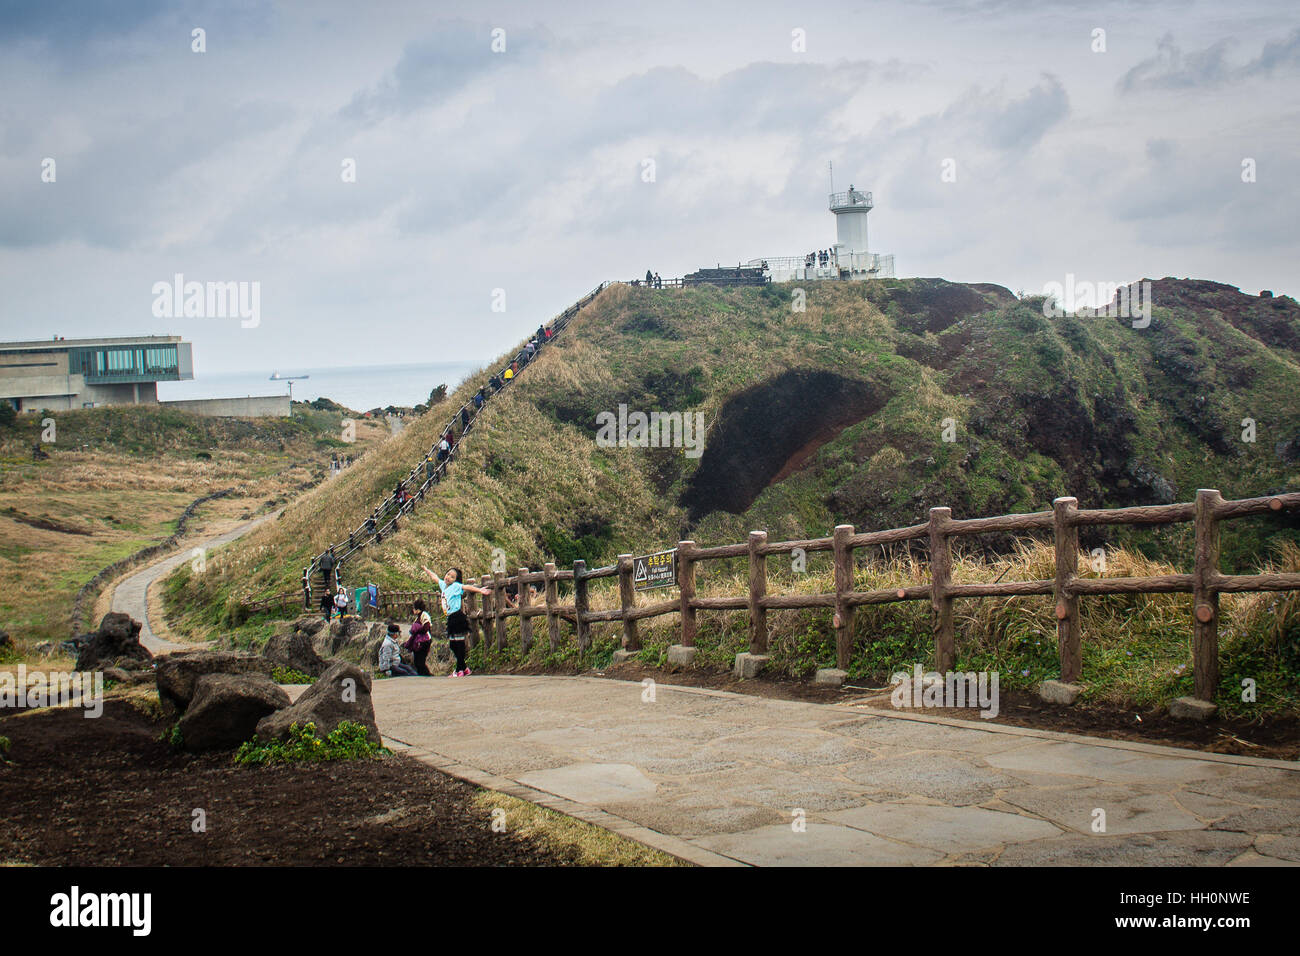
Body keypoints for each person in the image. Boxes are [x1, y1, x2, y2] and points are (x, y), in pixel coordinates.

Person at [421, 565, 493, 677]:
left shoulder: (456, 586)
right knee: (453, 645)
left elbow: (467, 587)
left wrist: (480, 590)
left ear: (456, 580)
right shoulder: (443, 586)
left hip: (457, 617)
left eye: (452, 577)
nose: (448, 577)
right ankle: (464, 669)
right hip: (450, 618)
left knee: (458, 644)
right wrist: (427, 570)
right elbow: (435, 578)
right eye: (448, 574)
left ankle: (459, 670)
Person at [404, 599, 434, 675]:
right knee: (417, 661)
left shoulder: (424, 615)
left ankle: (427, 675)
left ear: (417, 609)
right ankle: (422, 675)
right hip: (418, 642)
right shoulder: (418, 617)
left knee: (420, 661)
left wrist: (416, 630)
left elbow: (426, 628)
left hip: (424, 641)